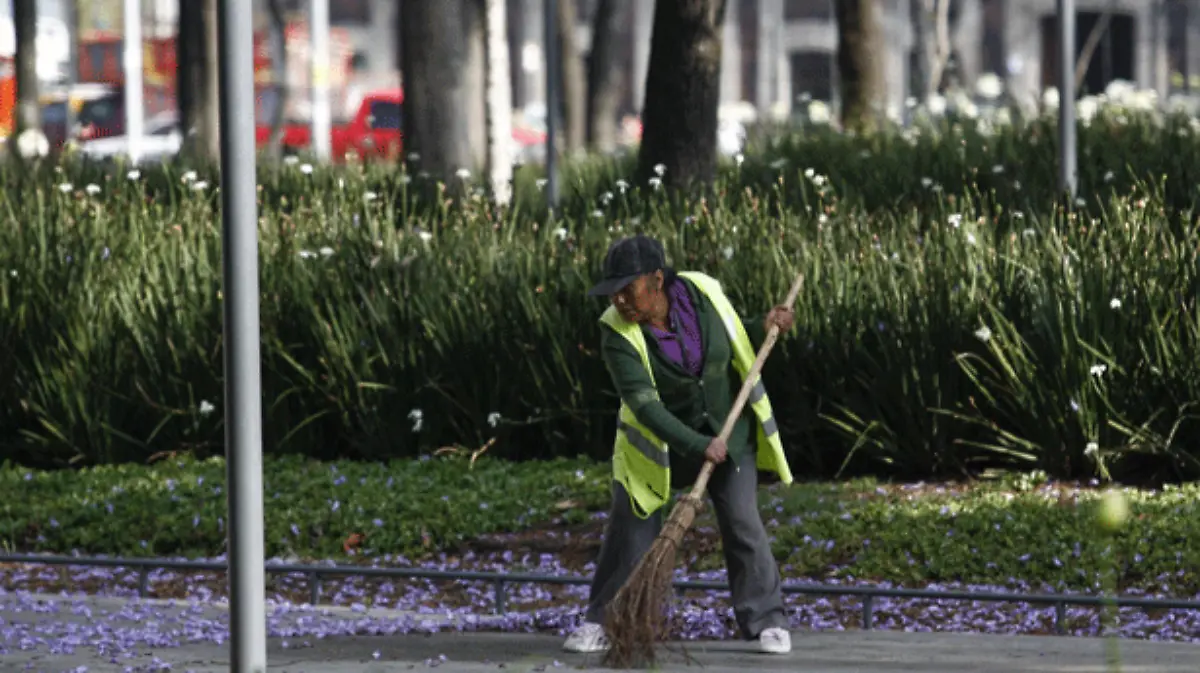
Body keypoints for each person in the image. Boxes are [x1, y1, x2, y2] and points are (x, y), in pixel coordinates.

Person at [563, 235, 797, 655]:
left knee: (743, 521)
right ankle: (601, 620)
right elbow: (644, 405)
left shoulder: (702, 293)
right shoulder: (616, 332)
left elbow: (730, 336)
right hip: (657, 448)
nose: (618, 300)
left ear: (657, 280)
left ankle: (767, 620)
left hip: (728, 433)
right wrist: (697, 443)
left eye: (627, 289)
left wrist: (763, 326)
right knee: (631, 531)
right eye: (612, 291)